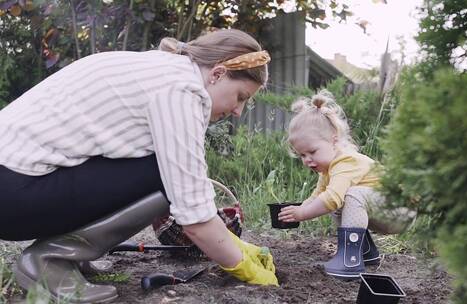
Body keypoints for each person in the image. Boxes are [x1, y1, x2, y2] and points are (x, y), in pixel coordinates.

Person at [0, 28, 278, 303]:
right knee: (163, 174)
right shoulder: (181, 90)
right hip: (11, 193)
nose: (238, 111)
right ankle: (49, 262)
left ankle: (70, 258)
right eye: (241, 97)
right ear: (217, 74)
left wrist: (239, 246)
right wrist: (244, 266)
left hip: (15, 185)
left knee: (161, 168)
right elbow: (194, 216)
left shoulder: (161, 70)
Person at [278, 90, 415, 278]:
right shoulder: (329, 168)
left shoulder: (346, 162)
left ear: (333, 139)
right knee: (343, 196)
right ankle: (364, 252)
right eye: (302, 155)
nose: (307, 159)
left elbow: (331, 199)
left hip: (401, 211)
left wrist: (302, 214)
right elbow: (318, 195)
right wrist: (300, 208)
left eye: (312, 151)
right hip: (387, 209)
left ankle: (350, 262)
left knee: (350, 195)